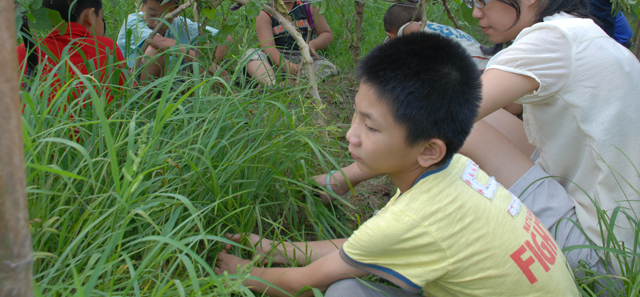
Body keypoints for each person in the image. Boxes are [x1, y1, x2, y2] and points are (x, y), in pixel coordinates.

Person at [317, 0, 640, 276]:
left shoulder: (551, 40)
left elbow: (445, 115)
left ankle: (375, 239)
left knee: (461, 129)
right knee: (483, 121)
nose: (476, 13)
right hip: (620, 237)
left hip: (600, 257)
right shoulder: (576, 30)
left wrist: (348, 174)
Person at [215, 32, 578, 297]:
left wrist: (239, 273)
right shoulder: (454, 173)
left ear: (429, 150)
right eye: (356, 116)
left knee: (344, 293)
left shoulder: (412, 218)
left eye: (370, 126)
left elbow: (301, 283)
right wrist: (273, 247)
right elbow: (360, 248)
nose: (350, 136)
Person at [16, 0, 129, 102]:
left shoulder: (23, 51)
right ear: (90, 16)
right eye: (101, 18)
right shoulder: (107, 48)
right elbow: (127, 98)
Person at [242, 0, 339, 86]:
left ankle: (292, 83)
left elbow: (327, 34)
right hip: (276, 59)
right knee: (251, 55)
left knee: (326, 67)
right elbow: (268, 47)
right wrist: (285, 65)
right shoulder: (265, 12)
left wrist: (313, 44)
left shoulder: (309, 6)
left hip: (305, 58)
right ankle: (272, 84)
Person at [117, 0, 232, 82]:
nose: (158, 22)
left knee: (221, 40)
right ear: (140, 5)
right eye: (152, 14)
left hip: (169, 80)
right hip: (132, 81)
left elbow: (223, 38)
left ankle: (198, 86)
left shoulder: (180, 24)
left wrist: (209, 65)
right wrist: (205, 62)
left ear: (177, 11)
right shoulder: (133, 22)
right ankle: (147, 103)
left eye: (166, 17)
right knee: (154, 52)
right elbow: (162, 43)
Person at [384, 0, 492, 70]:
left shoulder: (409, 29)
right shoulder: (432, 27)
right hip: (488, 60)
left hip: (471, 64)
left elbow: (415, 28)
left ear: (390, 34)